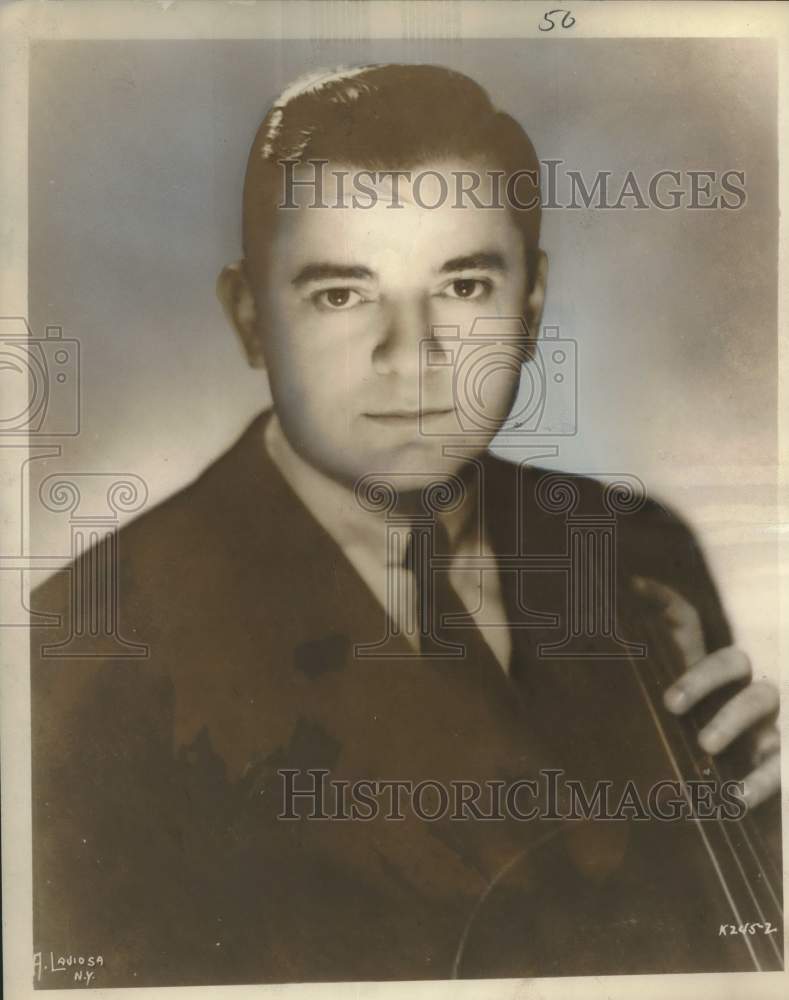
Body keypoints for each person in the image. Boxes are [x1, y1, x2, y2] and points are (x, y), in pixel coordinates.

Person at [30, 63, 782, 987]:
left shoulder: (636, 546)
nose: (412, 357)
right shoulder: (81, 654)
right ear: (250, 318)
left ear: (532, 303)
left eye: (462, 286)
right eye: (340, 295)